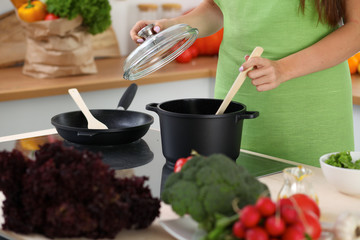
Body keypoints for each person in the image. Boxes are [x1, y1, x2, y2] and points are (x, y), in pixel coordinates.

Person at [130, 0, 360, 167]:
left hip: (311, 116)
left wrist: (284, 69)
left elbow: (357, 27)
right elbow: (218, 7)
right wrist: (174, 27)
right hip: (232, 109)